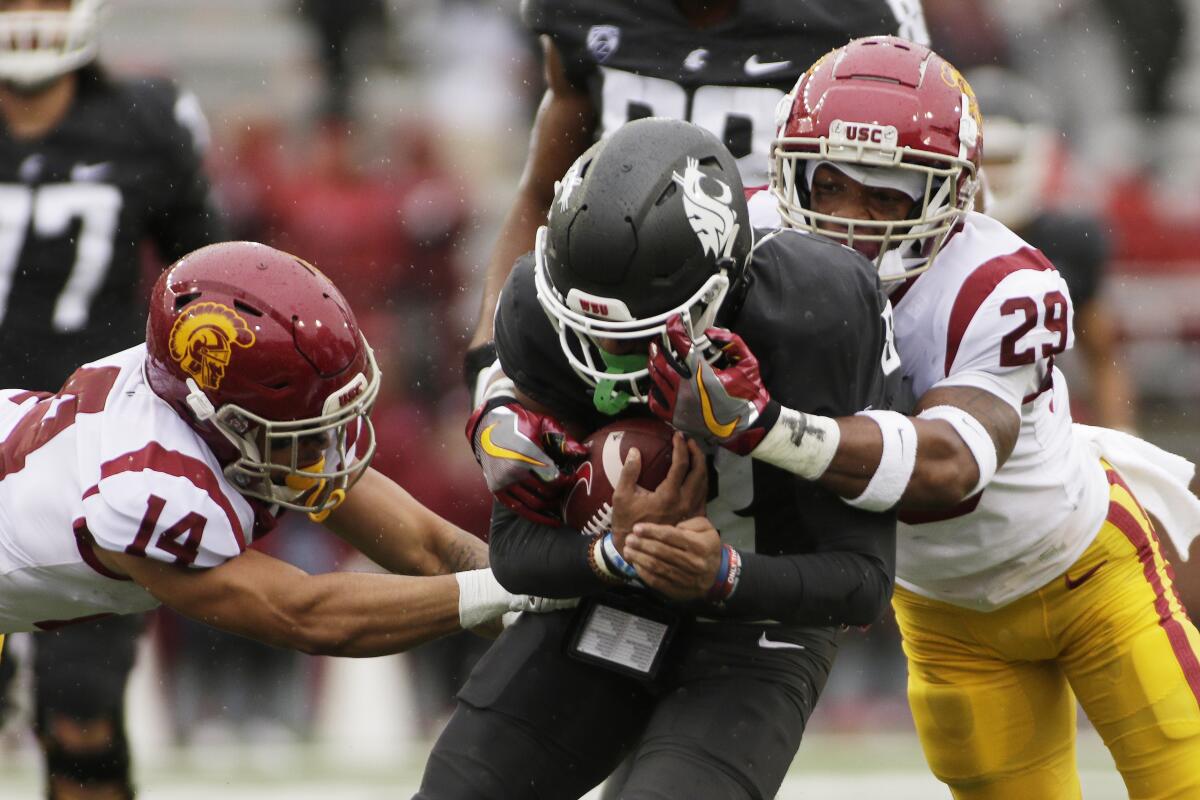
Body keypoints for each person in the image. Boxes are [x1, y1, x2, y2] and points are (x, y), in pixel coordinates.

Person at [649, 36, 1200, 797]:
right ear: (789, 170)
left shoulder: (999, 284)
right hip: (945, 619)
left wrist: (768, 428)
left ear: (952, 196)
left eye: (887, 196)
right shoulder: (746, 237)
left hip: (1085, 575)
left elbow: (948, 467)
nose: (850, 222)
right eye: (831, 185)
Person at [416, 117, 899, 799]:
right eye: (585, 331)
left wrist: (723, 574)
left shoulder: (817, 313)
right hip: (612, 598)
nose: (605, 362)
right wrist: (616, 553)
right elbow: (515, 552)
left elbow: (863, 581)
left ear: (716, 294)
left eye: (631, 339)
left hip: (762, 621)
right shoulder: (536, 309)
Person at [0, 241, 568, 794]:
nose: (329, 446)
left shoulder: (211, 412)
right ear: (219, 415)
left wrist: (545, 594)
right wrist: (509, 591)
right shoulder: (147, 488)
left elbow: (427, 548)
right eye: (304, 425)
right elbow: (309, 615)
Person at [462, 0, 932, 401]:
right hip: (617, 313)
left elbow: (921, 169)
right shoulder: (588, 12)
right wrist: (491, 362)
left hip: (785, 317)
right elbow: (545, 191)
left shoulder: (856, 13)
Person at [0, 1, 224, 796]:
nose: (25, 17)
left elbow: (209, 282)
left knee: (81, 712)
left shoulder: (143, 121)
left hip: (85, 437)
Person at [967, 64, 1138, 432]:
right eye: (986, 160)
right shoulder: (936, 238)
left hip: (1037, 432)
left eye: (1004, 159)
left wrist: (1124, 440)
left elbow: (1103, 358)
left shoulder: (1072, 241)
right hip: (944, 419)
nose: (993, 175)